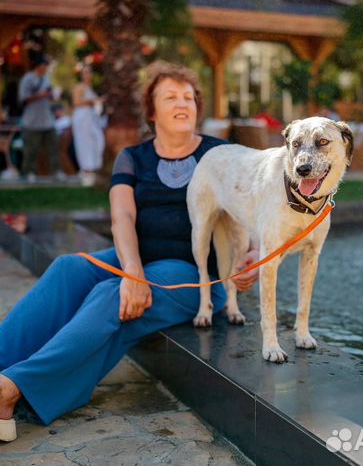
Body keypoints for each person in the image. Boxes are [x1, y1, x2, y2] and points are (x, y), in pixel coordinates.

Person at [0, 62, 259, 441]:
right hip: (141, 258)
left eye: (189, 96)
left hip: (197, 276)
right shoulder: (133, 157)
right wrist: (133, 272)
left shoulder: (221, 153)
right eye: (170, 96)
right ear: (152, 112)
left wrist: (251, 254)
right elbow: (122, 216)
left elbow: (251, 211)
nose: (182, 102)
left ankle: (9, 390)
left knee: (110, 296)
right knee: (68, 268)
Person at [18, 54, 65, 182]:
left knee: (54, 147)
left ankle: (56, 171)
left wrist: (54, 97)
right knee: (30, 149)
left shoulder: (47, 79)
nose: (46, 68)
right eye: (44, 65)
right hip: (32, 121)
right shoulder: (27, 79)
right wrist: (42, 95)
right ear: (39, 66)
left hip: (47, 120)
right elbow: (24, 98)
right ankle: (28, 173)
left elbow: (49, 96)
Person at [72, 65, 105, 186]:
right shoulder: (79, 87)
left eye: (90, 72)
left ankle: (91, 168)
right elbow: (76, 102)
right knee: (84, 143)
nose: (88, 75)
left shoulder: (89, 87)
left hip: (91, 117)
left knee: (96, 141)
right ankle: (87, 170)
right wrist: (93, 100)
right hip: (82, 117)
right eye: (86, 73)